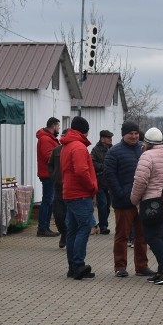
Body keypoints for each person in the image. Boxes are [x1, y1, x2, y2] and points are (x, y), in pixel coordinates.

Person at [130, 128, 163, 285]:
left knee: (152, 236)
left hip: (154, 202)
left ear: (146, 142)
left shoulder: (147, 156)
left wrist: (134, 199)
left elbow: (140, 181)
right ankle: (161, 271)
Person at [105, 121, 155, 278]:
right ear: (123, 134)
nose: (134, 136)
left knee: (142, 236)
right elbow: (110, 175)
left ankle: (142, 266)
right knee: (122, 235)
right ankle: (120, 266)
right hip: (123, 202)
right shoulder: (114, 152)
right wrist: (120, 193)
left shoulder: (144, 149)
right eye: (130, 134)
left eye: (136, 133)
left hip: (143, 201)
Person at [60, 115, 99, 280]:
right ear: (85, 131)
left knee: (72, 230)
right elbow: (82, 171)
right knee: (84, 228)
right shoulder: (79, 147)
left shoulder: (67, 145)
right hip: (80, 194)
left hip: (69, 193)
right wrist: (92, 186)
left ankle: (72, 266)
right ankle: (78, 265)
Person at [36, 117, 61, 237]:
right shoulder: (46, 139)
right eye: (58, 126)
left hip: (51, 174)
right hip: (48, 174)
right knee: (47, 200)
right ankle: (42, 228)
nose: (59, 129)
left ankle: (45, 227)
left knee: (50, 201)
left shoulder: (50, 138)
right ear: (53, 125)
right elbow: (48, 156)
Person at [47, 131, 68, 249]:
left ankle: (70, 237)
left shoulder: (75, 149)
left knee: (70, 216)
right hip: (58, 188)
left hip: (72, 189)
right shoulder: (56, 150)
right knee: (58, 215)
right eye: (63, 136)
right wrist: (53, 176)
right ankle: (63, 232)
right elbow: (50, 165)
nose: (64, 138)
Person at [91, 130, 114, 234]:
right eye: (108, 137)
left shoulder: (113, 149)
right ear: (102, 139)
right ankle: (103, 226)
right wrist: (104, 167)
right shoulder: (95, 150)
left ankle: (103, 223)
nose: (110, 139)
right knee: (102, 204)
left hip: (110, 182)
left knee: (108, 205)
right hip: (100, 181)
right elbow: (92, 164)